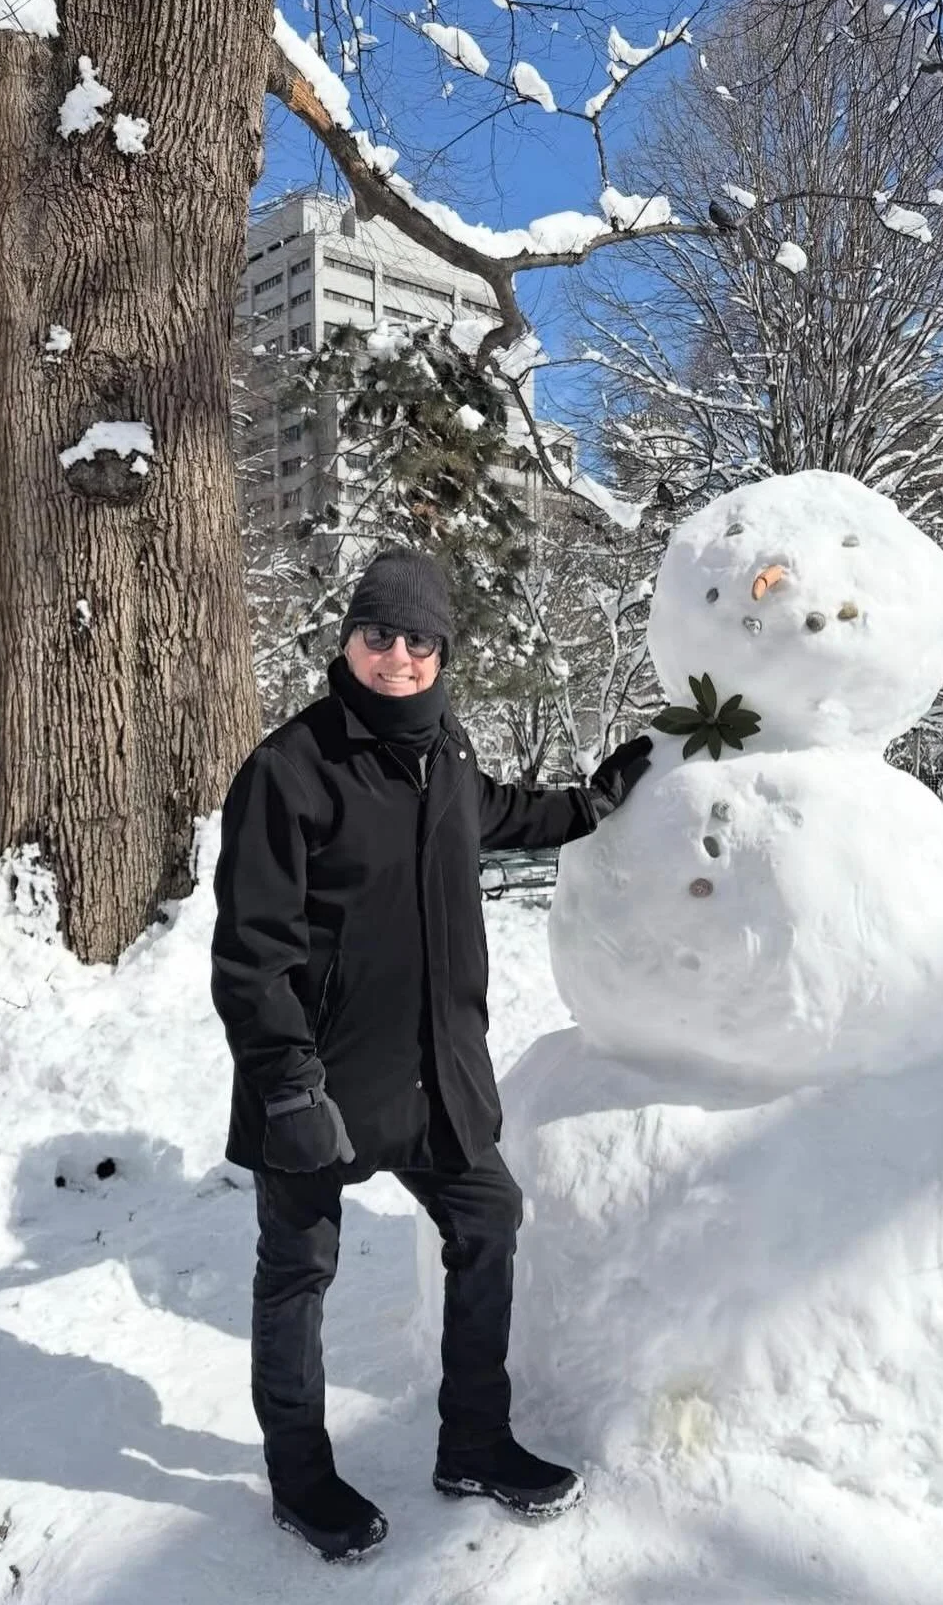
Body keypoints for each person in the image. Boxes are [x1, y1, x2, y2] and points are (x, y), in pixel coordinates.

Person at [211, 548, 651, 1562]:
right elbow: (252, 951)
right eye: (380, 634)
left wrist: (590, 805)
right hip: (317, 1081)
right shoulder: (290, 769)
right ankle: (302, 1476)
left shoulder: (446, 757)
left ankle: (475, 1441)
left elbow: (497, 815)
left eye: (420, 640)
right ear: (349, 638)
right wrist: (285, 1083)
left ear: (442, 652)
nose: (399, 656)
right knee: (298, 1272)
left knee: (488, 1216)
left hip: (432, 1073)